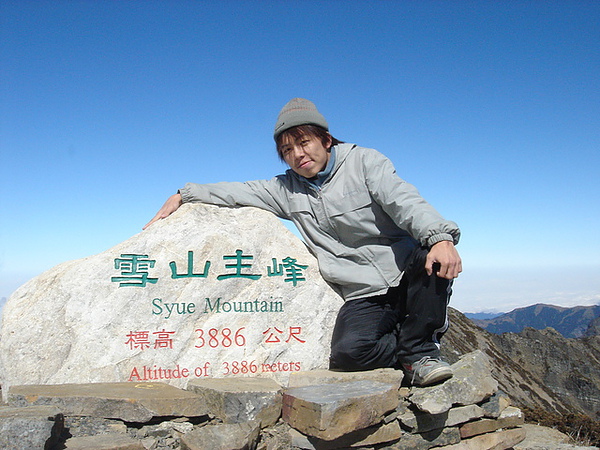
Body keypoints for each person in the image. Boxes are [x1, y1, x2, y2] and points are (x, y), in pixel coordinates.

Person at [144, 98, 462, 386]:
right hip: (364, 290)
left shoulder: (365, 162)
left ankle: (421, 354)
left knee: (430, 256)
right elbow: (238, 191)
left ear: (325, 139)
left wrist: (439, 237)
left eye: (303, 143)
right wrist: (184, 194)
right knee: (349, 355)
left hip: (405, 271)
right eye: (286, 151)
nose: (297, 155)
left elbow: (404, 201)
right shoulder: (287, 189)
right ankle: (404, 348)